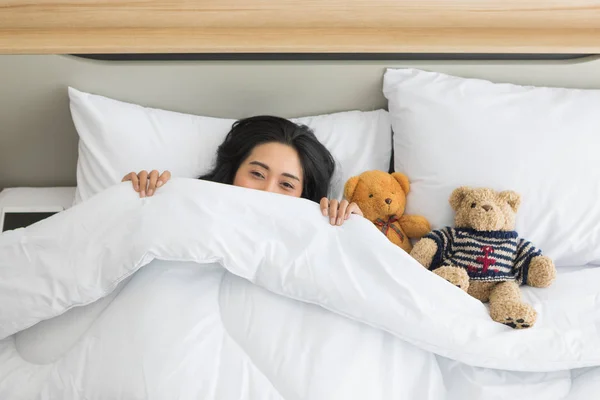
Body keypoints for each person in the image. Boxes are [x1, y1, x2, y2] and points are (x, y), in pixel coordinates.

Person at [122, 115, 363, 226]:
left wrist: (353, 231)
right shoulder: (184, 209)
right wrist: (132, 199)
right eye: (257, 174)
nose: (267, 191)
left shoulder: (319, 231)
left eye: (287, 184)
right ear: (233, 171)